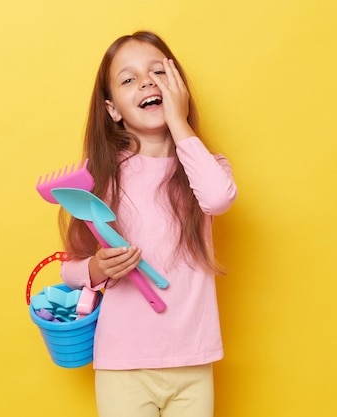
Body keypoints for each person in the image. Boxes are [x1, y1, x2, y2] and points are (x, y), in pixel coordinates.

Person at [59, 30, 237, 417]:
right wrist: (95, 268)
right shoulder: (99, 178)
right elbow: (69, 271)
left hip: (193, 359)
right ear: (113, 110)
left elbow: (219, 199)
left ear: (179, 89)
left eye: (158, 72)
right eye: (129, 79)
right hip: (123, 364)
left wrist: (180, 123)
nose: (146, 82)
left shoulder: (205, 164)